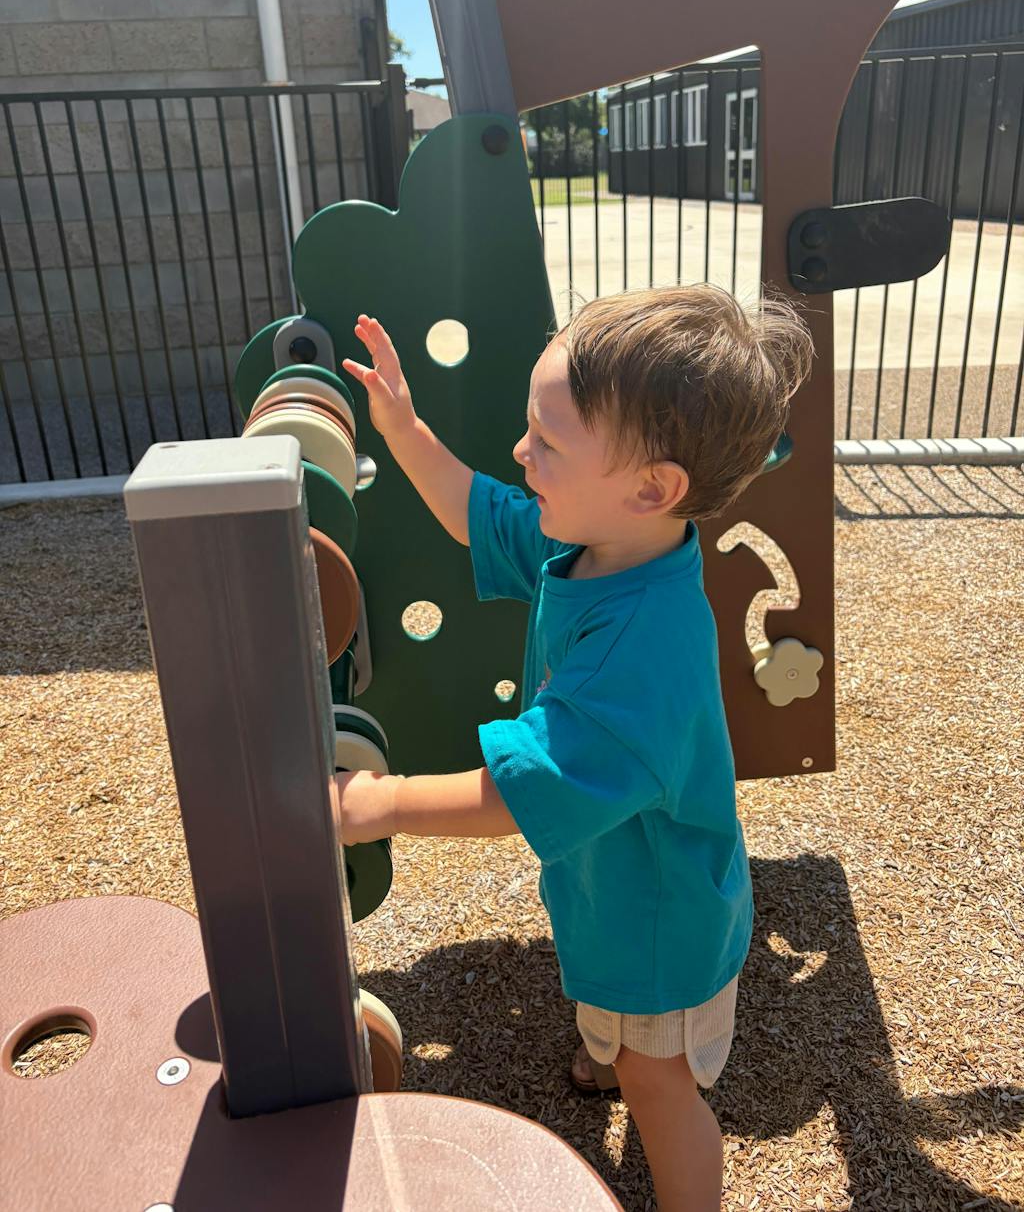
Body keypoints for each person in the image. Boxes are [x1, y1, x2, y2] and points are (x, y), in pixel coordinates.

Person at [336, 285, 814, 1212]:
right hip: (617, 886)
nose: (522, 452)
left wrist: (373, 804)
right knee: (618, 1023)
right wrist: (402, 428)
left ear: (652, 487)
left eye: (547, 441)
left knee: (660, 1088)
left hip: (661, 926)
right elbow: (476, 508)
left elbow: (519, 793)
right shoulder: (596, 545)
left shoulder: (644, 645)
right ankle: (611, 1046)